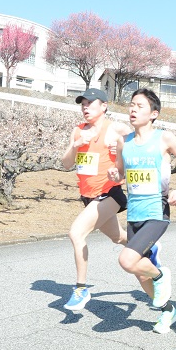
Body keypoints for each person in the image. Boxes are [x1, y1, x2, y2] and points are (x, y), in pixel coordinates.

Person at [109, 88, 176, 334]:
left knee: (127, 261)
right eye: (131, 104)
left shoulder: (163, 138)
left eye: (140, 106)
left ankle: (160, 276)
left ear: (154, 114)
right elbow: (121, 173)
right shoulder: (123, 142)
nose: (133, 109)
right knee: (140, 274)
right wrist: (115, 175)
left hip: (157, 211)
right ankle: (168, 310)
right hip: (134, 214)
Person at [62, 87, 133, 311]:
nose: (85, 108)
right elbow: (66, 163)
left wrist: (121, 147)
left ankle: (81, 289)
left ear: (104, 106)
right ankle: (149, 248)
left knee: (76, 233)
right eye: (83, 104)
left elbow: (140, 147)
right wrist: (76, 146)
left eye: (90, 104)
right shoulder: (78, 131)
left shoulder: (116, 128)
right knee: (118, 237)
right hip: (88, 196)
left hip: (109, 192)